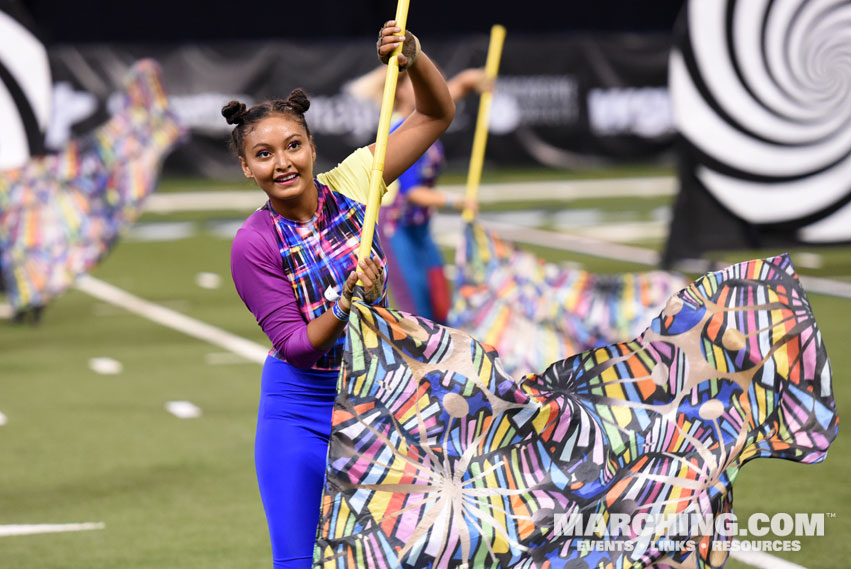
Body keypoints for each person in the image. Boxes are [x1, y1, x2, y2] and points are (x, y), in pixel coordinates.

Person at [226, 21, 455, 569]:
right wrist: (347, 301)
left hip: (381, 400)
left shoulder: (357, 180)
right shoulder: (252, 244)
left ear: (310, 146)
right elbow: (299, 345)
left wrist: (414, 59)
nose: (281, 163)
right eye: (263, 155)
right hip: (301, 410)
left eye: (292, 146)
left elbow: (435, 114)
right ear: (246, 167)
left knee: (406, 553)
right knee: (298, 560)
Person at [372, 67, 489, 323]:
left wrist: (469, 80)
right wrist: (455, 200)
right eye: (418, 84)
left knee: (440, 303)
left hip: (421, 228)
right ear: (401, 90)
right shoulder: (398, 131)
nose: (427, 89)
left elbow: (445, 97)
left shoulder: (425, 121)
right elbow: (412, 192)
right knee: (418, 312)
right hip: (397, 228)